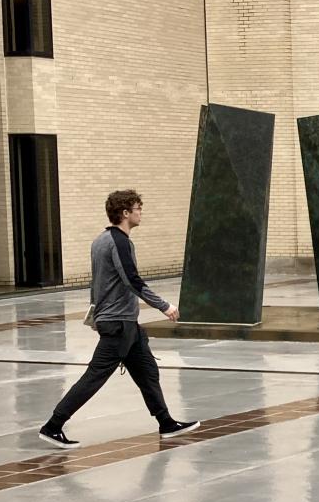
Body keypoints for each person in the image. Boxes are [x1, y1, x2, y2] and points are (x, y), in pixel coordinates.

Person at [38, 190, 199, 447]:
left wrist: (96, 313)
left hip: (124, 324)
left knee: (147, 372)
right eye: (138, 208)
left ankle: (166, 422)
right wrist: (163, 305)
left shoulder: (100, 240)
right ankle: (53, 425)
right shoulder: (120, 242)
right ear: (125, 213)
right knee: (95, 376)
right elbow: (131, 279)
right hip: (118, 323)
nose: (140, 212)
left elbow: (98, 284)